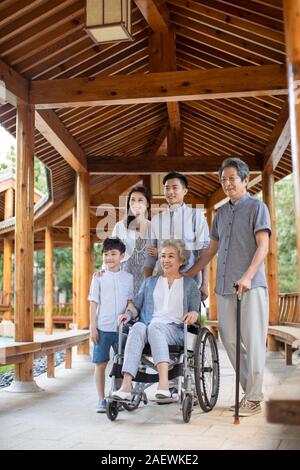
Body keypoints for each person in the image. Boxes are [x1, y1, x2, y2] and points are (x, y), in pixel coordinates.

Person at [185, 157, 271, 417]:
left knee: (254, 342)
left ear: (245, 180)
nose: (227, 183)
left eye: (232, 178)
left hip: (250, 287)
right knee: (229, 340)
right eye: (223, 179)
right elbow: (211, 251)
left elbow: (263, 246)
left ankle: (253, 398)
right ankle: (252, 393)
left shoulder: (257, 208)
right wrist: (188, 273)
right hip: (223, 288)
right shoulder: (220, 214)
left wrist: (246, 276)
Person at [111, 239, 200, 401]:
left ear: (181, 260)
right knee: (137, 327)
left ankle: (164, 384)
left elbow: (196, 311)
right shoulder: (150, 282)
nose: (165, 260)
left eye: (171, 256)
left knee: (155, 327)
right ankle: (126, 385)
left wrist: (194, 314)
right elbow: (135, 306)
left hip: (176, 330)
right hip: (149, 326)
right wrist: (128, 314)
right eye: (163, 256)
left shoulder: (190, 285)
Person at [144, 172, 209, 300]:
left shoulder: (196, 216)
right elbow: (150, 257)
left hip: (190, 283)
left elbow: (204, 252)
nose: (170, 192)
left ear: (185, 191)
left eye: (175, 187)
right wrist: (147, 284)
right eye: (167, 188)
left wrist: (205, 284)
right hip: (162, 284)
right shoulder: (156, 220)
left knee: (189, 319)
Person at [88, 237, 134, 413]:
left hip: (122, 330)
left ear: (122, 256)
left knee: (122, 364)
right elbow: (93, 303)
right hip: (102, 328)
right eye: (106, 254)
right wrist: (92, 327)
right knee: (100, 363)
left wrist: (128, 314)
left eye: (113, 254)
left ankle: (118, 395)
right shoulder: (98, 278)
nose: (109, 258)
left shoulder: (128, 278)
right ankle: (101, 399)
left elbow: (129, 302)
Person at [111, 185, 156, 296]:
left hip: (148, 282)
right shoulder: (119, 227)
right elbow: (110, 252)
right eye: (133, 200)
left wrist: (159, 252)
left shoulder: (154, 228)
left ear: (147, 204)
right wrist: (104, 270)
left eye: (140, 200)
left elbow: (164, 252)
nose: (136, 203)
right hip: (123, 281)